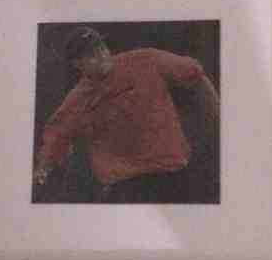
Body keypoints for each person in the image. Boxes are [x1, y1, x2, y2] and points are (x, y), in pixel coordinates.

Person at [34, 26, 220, 203]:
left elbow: (196, 74)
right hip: (125, 185)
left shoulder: (146, 60)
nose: (100, 55)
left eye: (101, 48)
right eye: (90, 54)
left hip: (171, 173)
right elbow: (56, 138)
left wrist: (218, 118)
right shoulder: (78, 98)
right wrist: (43, 171)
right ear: (77, 64)